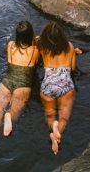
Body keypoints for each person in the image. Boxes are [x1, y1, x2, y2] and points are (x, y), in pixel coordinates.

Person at [0, 20, 40, 164]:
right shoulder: (35, 51)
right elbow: (37, 56)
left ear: (17, 36)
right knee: (13, 113)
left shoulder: (10, 45)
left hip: (6, 83)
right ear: (31, 35)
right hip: (22, 86)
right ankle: (9, 116)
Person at [38, 21, 79, 155]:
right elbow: (72, 68)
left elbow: (36, 40)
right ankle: (56, 135)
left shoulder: (42, 48)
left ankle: (52, 129)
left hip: (47, 86)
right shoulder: (70, 46)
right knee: (64, 117)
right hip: (65, 85)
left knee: (50, 114)